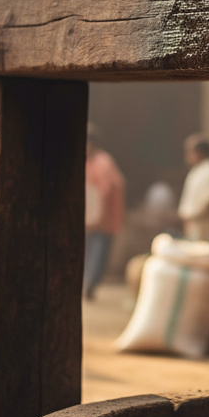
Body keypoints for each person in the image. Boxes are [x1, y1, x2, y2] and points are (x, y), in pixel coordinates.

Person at [83, 128, 125, 299]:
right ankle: (86, 285)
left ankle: (90, 286)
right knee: (88, 253)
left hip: (102, 220)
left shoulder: (102, 162)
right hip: (89, 220)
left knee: (97, 254)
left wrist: (97, 214)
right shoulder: (87, 162)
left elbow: (106, 190)